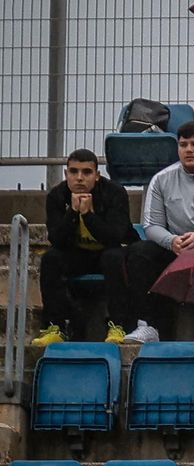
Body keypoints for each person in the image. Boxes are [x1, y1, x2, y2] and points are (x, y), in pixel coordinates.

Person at [102, 121, 194, 344]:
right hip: (177, 251)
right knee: (139, 252)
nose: (189, 150)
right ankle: (147, 325)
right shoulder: (161, 179)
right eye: (183, 145)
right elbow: (151, 226)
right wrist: (172, 242)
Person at [33, 148, 136, 345]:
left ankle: (118, 326)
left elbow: (115, 236)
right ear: (66, 174)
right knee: (51, 259)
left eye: (86, 172)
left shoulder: (114, 193)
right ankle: (55, 326)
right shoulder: (57, 196)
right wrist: (72, 212)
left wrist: (88, 216)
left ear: (97, 176)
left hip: (107, 252)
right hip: (77, 255)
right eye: (74, 172)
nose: (79, 178)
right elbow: (57, 239)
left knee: (113, 257)